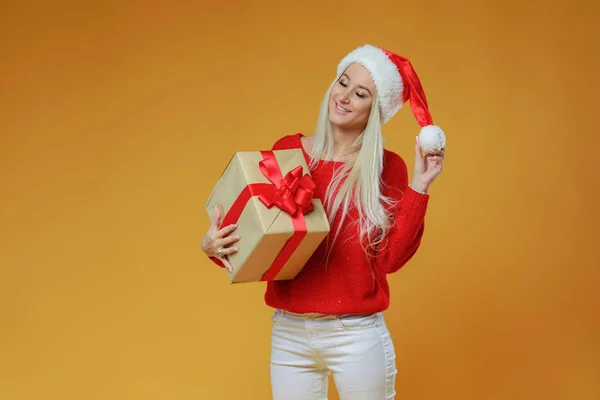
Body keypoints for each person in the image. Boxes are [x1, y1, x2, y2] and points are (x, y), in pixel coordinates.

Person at [200, 44, 446, 400]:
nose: (344, 97)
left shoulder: (387, 168)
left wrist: (419, 187)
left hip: (356, 334)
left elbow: (390, 260)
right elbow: (263, 239)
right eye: (342, 83)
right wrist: (213, 247)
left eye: (360, 93)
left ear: (374, 110)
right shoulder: (286, 151)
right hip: (289, 332)